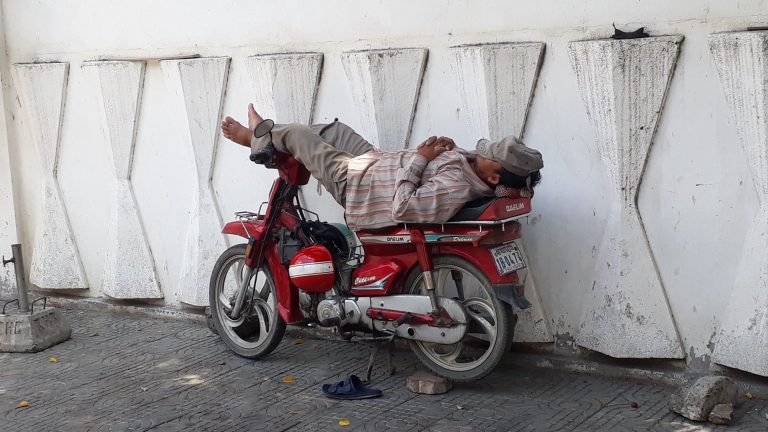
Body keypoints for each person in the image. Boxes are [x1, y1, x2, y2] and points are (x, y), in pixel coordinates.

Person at [221, 104, 543, 231]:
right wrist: (450, 148)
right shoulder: (474, 169)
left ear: (494, 176)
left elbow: (403, 207)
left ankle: (256, 137)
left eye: (487, 155)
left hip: (357, 184)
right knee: (334, 130)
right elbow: (460, 163)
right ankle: (263, 137)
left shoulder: (457, 186)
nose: (480, 152)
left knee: (295, 134)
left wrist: (421, 158)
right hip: (373, 162)